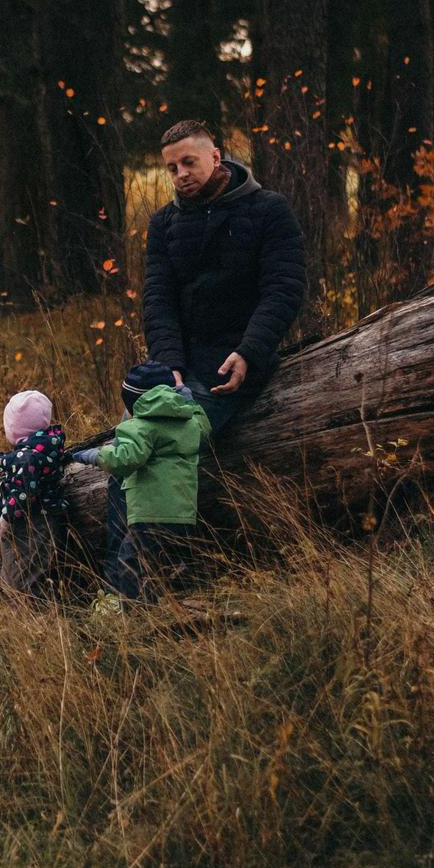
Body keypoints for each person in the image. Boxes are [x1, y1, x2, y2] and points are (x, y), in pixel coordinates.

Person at [100, 119, 307, 581]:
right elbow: (158, 302)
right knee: (130, 449)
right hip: (179, 368)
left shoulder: (269, 210)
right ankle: (123, 587)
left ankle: (141, 586)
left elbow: (283, 289)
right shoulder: (165, 223)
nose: (180, 175)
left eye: (188, 162)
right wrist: (170, 366)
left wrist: (249, 351)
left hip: (235, 364)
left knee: (155, 452)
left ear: (217, 157)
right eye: (171, 168)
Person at [69, 361, 211, 600]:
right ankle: (181, 603)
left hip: (149, 513)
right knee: (172, 562)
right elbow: (205, 429)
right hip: (183, 511)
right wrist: (191, 402)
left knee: (131, 563)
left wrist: (91, 455)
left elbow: (123, 460)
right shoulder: (188, 422)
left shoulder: (139, 427)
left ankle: (136, 615)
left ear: (134, 403)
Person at [0, 389, 76, 599]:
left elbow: (23, 493)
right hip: (46, 520)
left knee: (21, 579)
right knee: (32, 572)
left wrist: (6, 522)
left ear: (13, 428)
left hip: (28, 525)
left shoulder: (26, 458)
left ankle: (27, 620)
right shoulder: (44, 448)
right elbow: (24, 481)